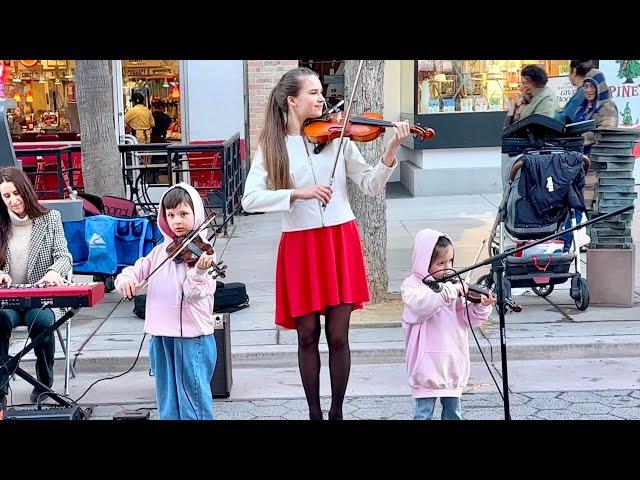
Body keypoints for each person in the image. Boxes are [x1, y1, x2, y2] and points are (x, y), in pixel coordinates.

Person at [241, 66, 411, 420]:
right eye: (314, 93)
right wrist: (297, 194)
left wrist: (391, 150)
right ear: (292, 101)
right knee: (306, 336)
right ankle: (314, 413)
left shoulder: (337, 137)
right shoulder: (272, 146)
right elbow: (250, 199)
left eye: (322, 93)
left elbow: (369, 184)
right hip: (299, 246)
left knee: (338, 336)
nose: (322, 99)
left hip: (338, 238)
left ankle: (336, 412)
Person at [114, 183, 217, 420]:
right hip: (160, 335)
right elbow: (134, 271)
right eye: (170, 215)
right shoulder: (160, 252)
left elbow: (195, 294)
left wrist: (199, 272)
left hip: (192, 337)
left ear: (196, 214)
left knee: (194, 401)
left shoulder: (203, 253)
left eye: (183, 214)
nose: (177, 221)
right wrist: (126, 282)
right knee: (167, 399)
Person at [401, 229, 494, 420]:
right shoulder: (412, 287)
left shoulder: (452, 286)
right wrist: (449, 292)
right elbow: (422, 306)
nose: (447, 268)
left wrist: (482, 308)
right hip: (426, 369)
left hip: (452, 367)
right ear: (424, 262)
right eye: (440, 263)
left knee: (453, 414)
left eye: (450, 261)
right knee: (423, 415)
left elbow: (469, 320)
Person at [0, 167, 72, 411]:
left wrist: (53, 272)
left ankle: (43, 382)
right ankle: (0, 388)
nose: (13, 200)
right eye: (6, 196)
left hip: (41, 298)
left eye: (16, 193)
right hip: (7, 301)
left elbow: (65, 257)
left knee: (41, 321)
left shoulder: (50, 218)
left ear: (26, 190)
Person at [503, 64, 559, 128]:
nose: (523, 86)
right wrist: (516, 107)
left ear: (536, 82)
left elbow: (541, 126)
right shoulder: (529, 97)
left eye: (526, 83)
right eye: (522, 83)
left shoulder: (546, 99)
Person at [555, 60, 594, 124]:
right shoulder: (593, 91)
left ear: (574, 71)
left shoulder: (582, 93)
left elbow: (563, 119)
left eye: (569, 71)